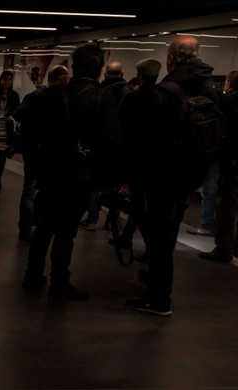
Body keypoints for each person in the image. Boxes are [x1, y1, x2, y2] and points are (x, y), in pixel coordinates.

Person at [126, 35, 222, 316]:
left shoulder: (164, 92)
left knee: (159, 236)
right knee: (168, 232)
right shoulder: (212, 88)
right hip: (193, 174)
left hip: (162, 176)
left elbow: (147, 140)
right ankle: (157, 287)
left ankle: (159, 299)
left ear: (171, 59)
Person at [22, 44, 122, 300]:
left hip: (51, 171)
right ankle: (59, 282)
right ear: (99, 70)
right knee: (67, 228)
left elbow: (34, 133)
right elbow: (112, 141)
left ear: (74, 67)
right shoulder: (102, 98)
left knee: (44, 225)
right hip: (80, 174)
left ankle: (32, 275)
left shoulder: (53, 95)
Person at [13, 64, 70, 242]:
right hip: (51, 152)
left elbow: (18, 114)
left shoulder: (35, 96)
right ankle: (39, 223)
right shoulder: (65, 99)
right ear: (62, 79)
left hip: (33, 149)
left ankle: (26, 227)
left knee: (29, 188)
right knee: (44, 190)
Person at [113, 58, 163, 253]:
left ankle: (150, 246)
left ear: (140, 75)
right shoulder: (162, 97)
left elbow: (123, 132)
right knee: (145, 204)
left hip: (135, 159)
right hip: (156, 160)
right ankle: (129, 238)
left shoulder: (132, 98)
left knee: (137, 205)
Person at [80, 60, 130, 230]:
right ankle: (112, 218)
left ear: (105, 74)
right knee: (116, 184)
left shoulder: (98, 92)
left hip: (98, 145)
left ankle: (92, 217)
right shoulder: (128, 93)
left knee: (95, 184)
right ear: (122, 74)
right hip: (119, 144)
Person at [200, 70, 238, 262]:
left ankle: (224, 247)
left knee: (227, 204)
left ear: (229, 84)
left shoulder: (229, 101)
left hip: (231, 160)